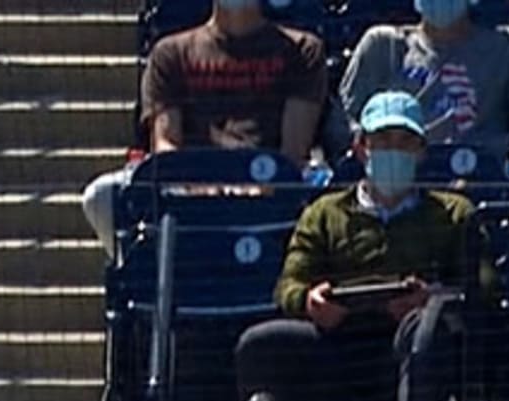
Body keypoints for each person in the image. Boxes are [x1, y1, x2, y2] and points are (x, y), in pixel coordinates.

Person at [235, 90, 492, 401]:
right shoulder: (324, 213)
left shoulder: (454, 214)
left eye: (404, 142)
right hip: (339, 347)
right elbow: (288, 284)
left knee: (427, 328)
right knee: (261, 344)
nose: (393, 152)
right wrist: (310, 300)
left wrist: (430, 297)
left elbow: (484, 287)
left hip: (415, 356)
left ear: (420, 152)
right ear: (360, 149)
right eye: (382, 141)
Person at [80, 0, 331, 253]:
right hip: (191, 191)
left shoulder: (302, 50)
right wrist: (196, 186)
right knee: (100, 196)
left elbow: (294, 149)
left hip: (268, 189)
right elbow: (166, 144)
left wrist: (257, 186)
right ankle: (138, 275)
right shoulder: (169, 53)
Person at [340, 0, 509, 170]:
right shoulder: (382, 45)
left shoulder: (507, 46)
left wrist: (494, 149)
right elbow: (343, 121)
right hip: (397, 182)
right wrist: (393, 150)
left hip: (480, 177)